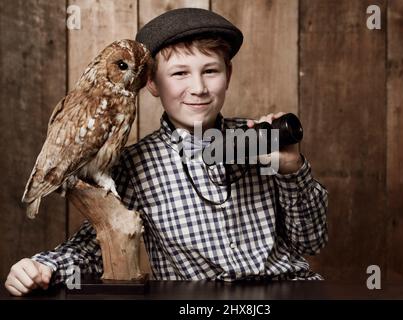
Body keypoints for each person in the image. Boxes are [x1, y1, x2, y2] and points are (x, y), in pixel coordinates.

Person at [5, 8, 328, 296]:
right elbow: (95, 240)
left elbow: (310, 242)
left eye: (210, 71)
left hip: (288, 290)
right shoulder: (136, 164)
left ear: (228, 76)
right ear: (152, 84)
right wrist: (41, 267)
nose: (198, 88)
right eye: (179, 73)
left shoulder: (257, 139)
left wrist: (291, 169)